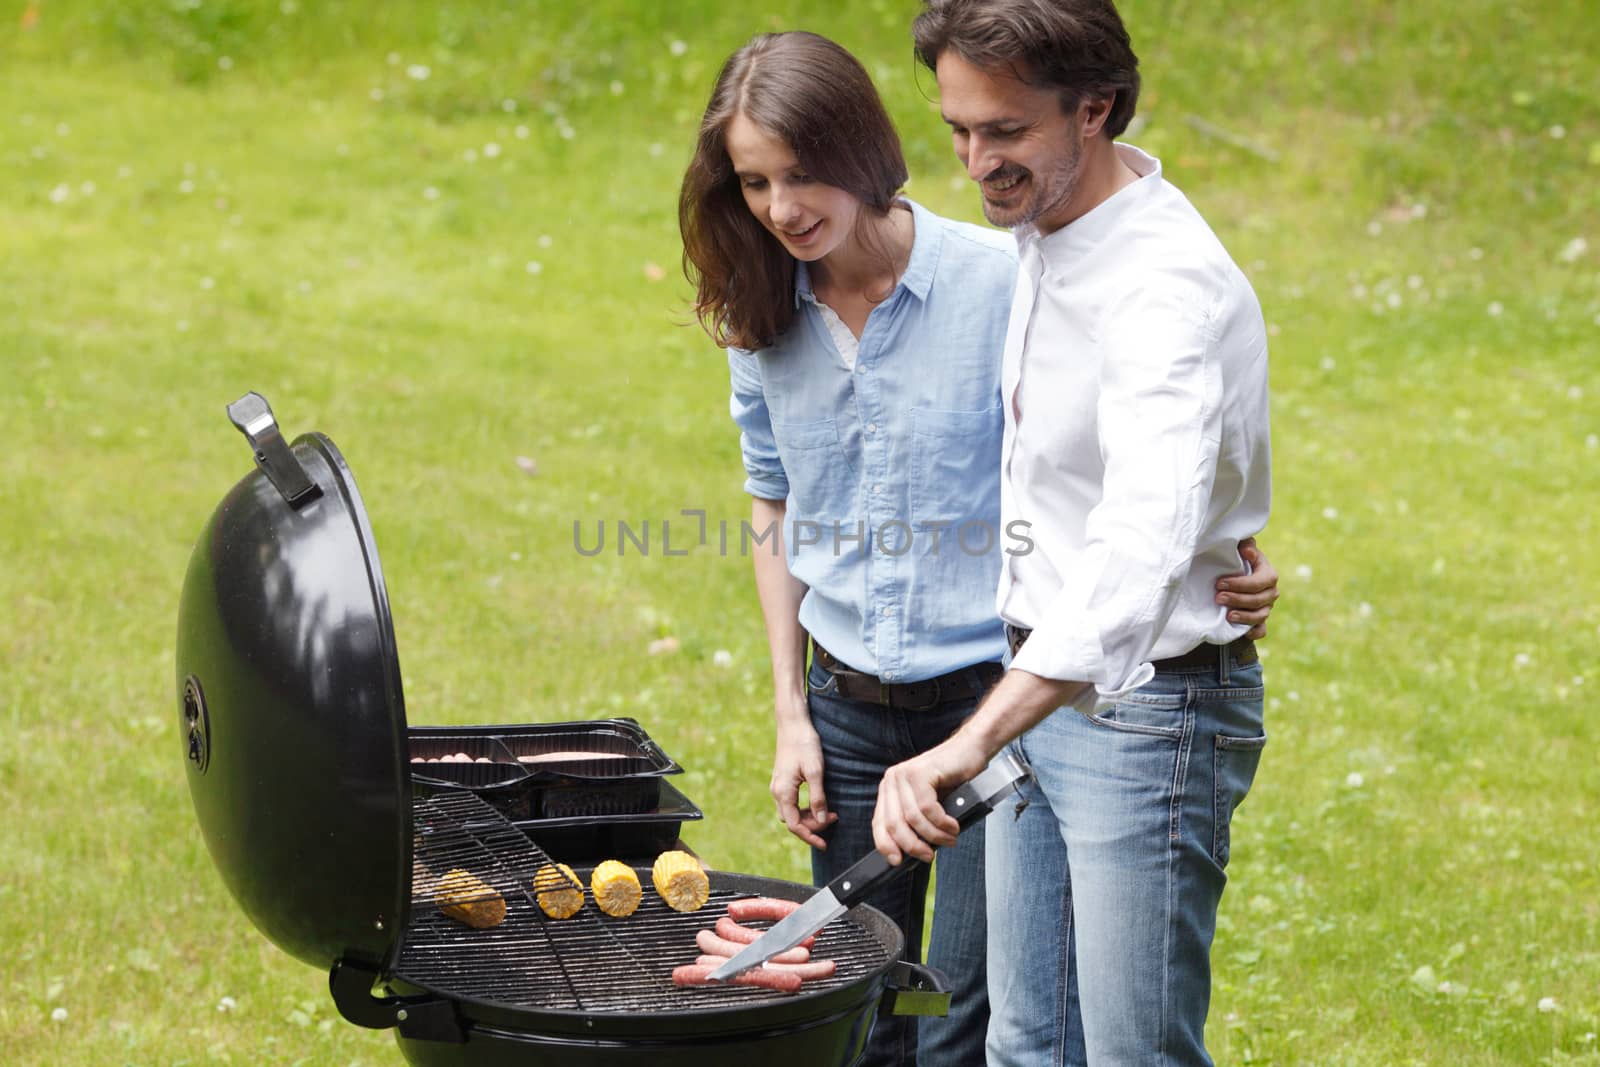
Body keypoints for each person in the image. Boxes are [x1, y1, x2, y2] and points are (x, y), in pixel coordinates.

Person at [678, 29, 1278, 1067]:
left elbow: (1136, 475)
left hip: (1004, 690)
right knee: (910, 1012)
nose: (782, 206)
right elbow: (776, 496)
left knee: (972, 1013)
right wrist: (791, 712)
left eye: (804, 172)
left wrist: (1213, 545)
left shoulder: (1015, 269)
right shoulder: (775, 307)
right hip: (869, 700)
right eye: (754, 182)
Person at [871, 2, 1274, 1064]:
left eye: (1002, 132)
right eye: (958, 129)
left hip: (1148, 716)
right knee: (1025, 1041)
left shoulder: (1159, 285)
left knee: (1130, 1052)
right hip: (1038, 687)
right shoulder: (1049, 225)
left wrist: (966, 738)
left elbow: (1141, 542)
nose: (974, 162)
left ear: (1091, 108)